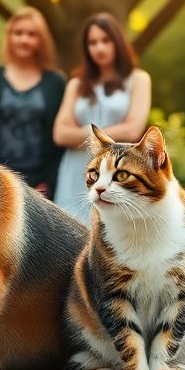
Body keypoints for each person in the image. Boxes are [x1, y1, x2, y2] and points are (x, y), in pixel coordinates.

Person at [51, 14, 152, 223]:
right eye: (92, 42)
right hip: (77, 168)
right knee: (70, 231)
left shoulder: (138, 79)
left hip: (118, 171)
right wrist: (114, 130)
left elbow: (133, 130)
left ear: (117, 42)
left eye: (105, 40)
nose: (99, 48)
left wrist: (80, 134)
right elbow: (60, 134)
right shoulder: (76, 84)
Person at [0, 7, 66, 196]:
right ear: (9, 37)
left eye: (32, 34)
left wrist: (49, 180)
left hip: (41, 187)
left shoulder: (55, 82)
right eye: (18, 33)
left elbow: (58, 142)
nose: (24, 39)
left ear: (41, 40)